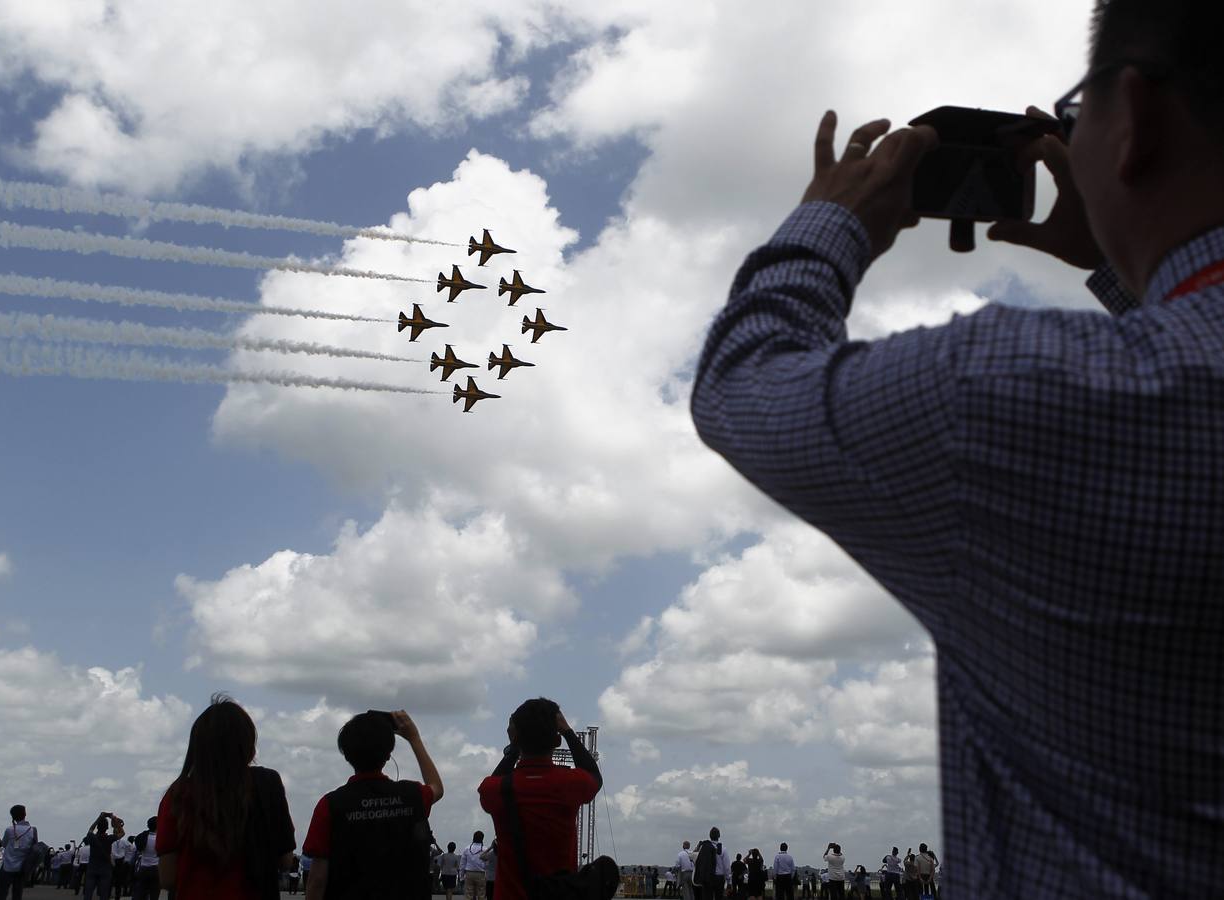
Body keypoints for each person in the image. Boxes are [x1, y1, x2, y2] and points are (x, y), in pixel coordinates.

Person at [692, 2, 1224, 896]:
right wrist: (1126, 262)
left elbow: (742, 382)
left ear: (1130, 118)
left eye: (1074, 110)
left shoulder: (1012, 392)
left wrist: (833, 220)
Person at [156, 694, 296, 899]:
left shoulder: (177, 794)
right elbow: (285, 860)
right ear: (247, 743)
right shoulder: (267, 784)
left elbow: (168, 878)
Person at [302, 709, 444, 900]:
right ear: (388, 755)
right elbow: (436, 787)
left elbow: (317, 878)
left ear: (346, 755)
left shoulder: (330, 805)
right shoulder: (413, 795)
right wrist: (414, 738)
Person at [477, 698, 604, 900]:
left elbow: (490, 784)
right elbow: (594, 776)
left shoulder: (497, 789)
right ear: (556, 741)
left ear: (515, 737)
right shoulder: (570, 783)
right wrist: (568, 732)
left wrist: (514, 747)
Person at [81, 814, 125, 900]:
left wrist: (100, 817)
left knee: (88, 893)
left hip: (92, 867)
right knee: (104, 894)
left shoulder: (92, 837)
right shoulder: (110, 838)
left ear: (97, 827)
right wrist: (114, 818)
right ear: (107, 828)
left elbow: (90, 829)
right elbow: (122, 833)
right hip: (105, 868)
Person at [0, 805, 37, 900]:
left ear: (13, 816)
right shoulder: (33, 830)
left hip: (7, 865)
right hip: (22, 867)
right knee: (17, 893)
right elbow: (34, 847)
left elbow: (3, 844)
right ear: (25, 814)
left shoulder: (9, 830)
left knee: (2, 892)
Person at [693, 830, 729, 900]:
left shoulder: (704, 847)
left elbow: (695, 857)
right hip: (719, 877)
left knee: (707, 897)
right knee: (718, 897)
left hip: (707, 877)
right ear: (719, 836)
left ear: (710, 836)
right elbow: (727, 867)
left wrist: (698, 846)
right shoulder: (723, 849)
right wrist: (729, 881)